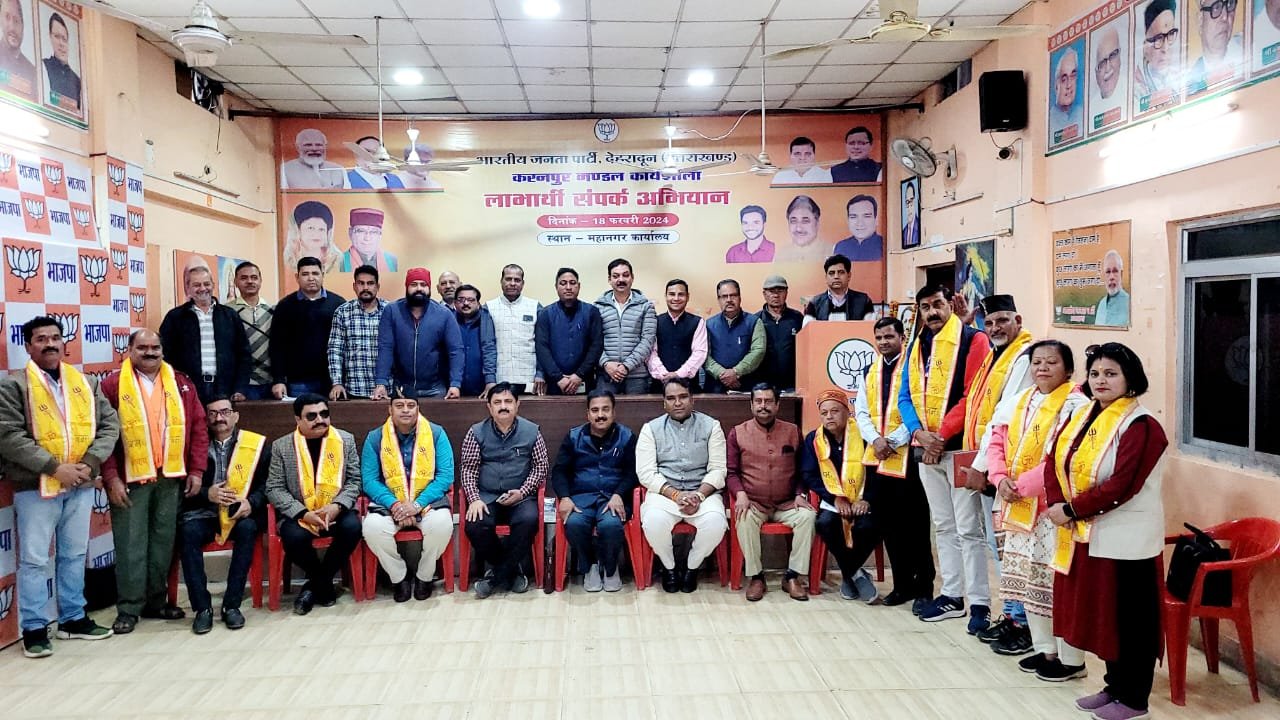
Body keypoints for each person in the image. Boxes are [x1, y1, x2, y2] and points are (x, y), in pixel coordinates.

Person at [1045, 343, 1168, 720]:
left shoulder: (1142, 425)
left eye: (1111, 373)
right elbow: (1054, 461)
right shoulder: (1083, 415)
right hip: (1088, 533)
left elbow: (1123, 483)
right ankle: (1114, 687)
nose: (1101, 380)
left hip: (1128, 540)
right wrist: (1057, 503)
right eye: (1095, 373)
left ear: (1131, 379)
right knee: (1108, 619)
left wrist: (1070, 510)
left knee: (1132, 621)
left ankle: (1135, 699)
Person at [0, 317, 119, 658]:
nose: (50, 344)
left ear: (63, 342)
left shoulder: (84, 382)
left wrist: (90, 464)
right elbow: (9, 437)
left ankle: (72, 618)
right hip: (36, 486)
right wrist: (55, 469)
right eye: (41, 339)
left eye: (55, 337)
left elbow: (109, 425)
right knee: (35, 560)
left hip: (81, 482)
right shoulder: (14, 386)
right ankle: (35, 629)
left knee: (75, 554)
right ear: (28, 346)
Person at [987, 341, 1090, 680]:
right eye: (1037, 362)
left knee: (1056, 585)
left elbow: (1062, 457)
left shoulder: (1077, 406)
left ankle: (1071, 659)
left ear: (1069, 370)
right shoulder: (1019, 401)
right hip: (1017, 509)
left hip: (1052, 512)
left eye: (1051, 362)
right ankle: (1045, 650)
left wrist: (1021, 486)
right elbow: (997, 441)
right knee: (1029, 584)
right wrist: (999, 477)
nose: (1042, 368)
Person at [897, 285, 993, 631]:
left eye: (937, 304)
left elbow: (973, 395)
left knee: (969, 528)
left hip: (959, 449)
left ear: (950, 305)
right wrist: (918, 433)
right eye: (925, 307)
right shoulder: (917, 344)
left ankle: (980, 602)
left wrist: (939, 437)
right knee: (943, 525)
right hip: (926, 449)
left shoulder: (973, 340)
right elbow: (904, 396)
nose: (932, 312)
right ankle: (952, 595)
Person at [101, 330, 208, 635]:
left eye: (155, 347)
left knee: (163, 542)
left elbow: (199, 427)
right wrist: (111, 477)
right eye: (142, 347)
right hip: (130, 478)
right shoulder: (112, 385)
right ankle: (129, 608)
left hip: (170, 477)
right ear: (129, 350)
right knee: (131, 544)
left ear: (163, 349)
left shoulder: (181, 383)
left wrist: (197, 470)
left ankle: (155, 602)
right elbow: (103, 435)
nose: (150, 352)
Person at [958, 294, 1035, 645]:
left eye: (1002, 320)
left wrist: (980, 465)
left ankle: (1023, 622)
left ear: (1018, 320)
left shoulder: (1025, 357)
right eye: (988, 323)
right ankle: (1013, 615)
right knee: (998, 544)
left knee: (1010, 546)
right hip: (996, 464)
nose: (995, 328)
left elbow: (1004, 415)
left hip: (1010, 467)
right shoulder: (996, 354)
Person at [854, 318, 935, 613]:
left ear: (902, 337)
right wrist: (876, 440)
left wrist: (894, 440)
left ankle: (924, 587)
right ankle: (902, 585)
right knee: (888, 525)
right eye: (879, 337)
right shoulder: (869, 370)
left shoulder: (914, 368)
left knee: (915, 525)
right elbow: (861, 412)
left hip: (908, 457)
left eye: (889, 336)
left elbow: (918, 409)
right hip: (878, 458)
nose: (884, 342)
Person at [265, 394, 363, 615]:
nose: (320, 420)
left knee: (352, 527)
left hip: (336, 510)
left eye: (324, 414)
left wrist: (337, 506)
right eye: (312, 416)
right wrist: (303, 513)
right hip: (301, 514)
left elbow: (354, 481)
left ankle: (315, 585)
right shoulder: (282, 446)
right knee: (294, 537)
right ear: (298, 420)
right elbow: (274, 488)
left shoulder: (344, 440)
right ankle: (324, 584)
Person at [179, 397, 268, 634]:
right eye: (213, 413)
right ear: (205, 418)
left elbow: (267, 485)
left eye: (225, 412)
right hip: (203, 513)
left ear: (235, 416)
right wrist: (207, 494)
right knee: (188, 532)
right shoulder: (192, 446)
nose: (219, 418)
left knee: (248, 529)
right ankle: (202, 608)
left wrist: (251, 502)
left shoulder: (255, 444)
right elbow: (180, 488)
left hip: (239, 513)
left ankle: (232, 605)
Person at [361, 388, 455, 602]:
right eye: (399, 406)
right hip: (389, 503)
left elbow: (445, 476)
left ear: (418, 408)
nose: (406, 410)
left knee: (442, 525)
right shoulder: (375, 438)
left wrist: (416, 505)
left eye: (411, 405)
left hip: (428, 501)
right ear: (390, 409)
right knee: (372, 528)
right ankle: (399, 577)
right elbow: (369, 480)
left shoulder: (436, 433)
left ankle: (424, 576)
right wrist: (395, 505)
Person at [637, 378, 728, 593]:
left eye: (683, 397)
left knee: (716, 522)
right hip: (665, 494)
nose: (677, 403)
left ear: (692, 399)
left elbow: (718, 469)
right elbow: (646, 473)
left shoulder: (711, 426)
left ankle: (691, 567)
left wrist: (698, 495)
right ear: (664, 403)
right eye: (671, 398)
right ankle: (669, 567)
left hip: (703, 493)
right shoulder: (650, 429)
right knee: (652, 521)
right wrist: (676, 495)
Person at [460, 383, 549, 598]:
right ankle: (510, 570)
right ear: (489, 407)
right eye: (497, 402)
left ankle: (495, 577)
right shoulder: (476, 432)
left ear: (517, 404)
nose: (503, 406)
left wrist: (523, 491)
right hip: (486, 496)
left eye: (508, 401)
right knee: (475, 525)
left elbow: (541, 466)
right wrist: (474, 499)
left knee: (529, 520)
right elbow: (468, 469)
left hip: (521, 496)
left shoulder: (532, 431)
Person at [727, 384, 812, 601]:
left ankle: (792, 576)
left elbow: (804, 470)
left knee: (808, 516)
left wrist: (800, 494)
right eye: (758, 401)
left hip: (787, 503)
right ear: (751, 404)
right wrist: (741, 494)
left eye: (768, 401)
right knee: (743, 517)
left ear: (777, 405)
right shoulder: (738, 433)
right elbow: (731, 472)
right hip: (754, 503)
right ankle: (756, 577)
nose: (763, 406)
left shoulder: (792, 431)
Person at [552, 389, 638, 592]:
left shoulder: (626, 437)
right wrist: (565, 497)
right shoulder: (573, 437)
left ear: (613, 412)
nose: (600, 415)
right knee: (574, 523)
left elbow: (633, 472)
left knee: (611, 525)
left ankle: (610, 568)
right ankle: (589, 565)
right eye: (595, 410)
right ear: (588, 414)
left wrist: (619, 494)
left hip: (613, 498)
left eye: (605, 409)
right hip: (581, 498)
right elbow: (559, 471)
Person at [801, 390, 882, 603]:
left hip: (863, 498)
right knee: (826, 523)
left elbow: (876, 470)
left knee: (869, 526)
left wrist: (866, 499)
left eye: (835, 411)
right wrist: (834, 498)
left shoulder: (864, 436)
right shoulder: (814, 439)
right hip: (833, 501)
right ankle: (855, 574)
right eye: (824, 413)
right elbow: (809, 475)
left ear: (848, 412)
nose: (829, 416)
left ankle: (848, 575)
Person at [159, 265, 251, 405]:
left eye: (206, 284)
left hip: (225, 389)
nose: (203, 288)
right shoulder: (175, 317)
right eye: (197, 285)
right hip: (188, 389)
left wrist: (240, 388)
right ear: (188, 288)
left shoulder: (230, 316)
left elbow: (244, 354)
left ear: (213, 285)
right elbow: (165, 355)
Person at [375, 267, 465, 399]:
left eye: (423, 285)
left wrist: (455, 384)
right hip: (402, 387)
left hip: (435, 388)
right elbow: (385, 348)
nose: (419, 288)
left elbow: (456, 350)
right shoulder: (392, 311)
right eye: (413, 284)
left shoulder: (444, 314)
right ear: (406, 287)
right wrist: (381, 382)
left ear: (429, 288)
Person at [269, 257, 346, 399]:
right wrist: (279, 379)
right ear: (297, 277)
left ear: (323, 275)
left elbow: (346, 344)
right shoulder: (285, 306)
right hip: (298, 381)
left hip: (333, 381)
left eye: (315, 273)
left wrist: (340, 379)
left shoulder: (338, 304)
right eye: (305, 274)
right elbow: (276, 346)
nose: (311, 278)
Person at [536, 267, 604, 396]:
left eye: (572, 283)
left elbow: (596, 346)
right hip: (554, 382)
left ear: (579, 286)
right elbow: (542, 348)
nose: (568, 287)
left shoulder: (591, 312)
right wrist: (558, 377)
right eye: (563, 283)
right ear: (556, 287)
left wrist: (579, 375)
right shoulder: (545, 314)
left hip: (585, 380)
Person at [594, 258, 656, 395]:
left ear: (632, 277)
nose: (621, 279)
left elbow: (648, 340)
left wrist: (627, 366)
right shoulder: (597, 307)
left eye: (625, 275)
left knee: (637, 410)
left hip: (637, 375)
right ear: (609, 279)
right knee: (604, 409)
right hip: (606, 374)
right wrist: (606, 363)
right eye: (616, 276)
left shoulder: (646, 306)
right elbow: (593, 341)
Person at [327, 264, 389, 400]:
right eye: (361, 283)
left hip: (386, 390)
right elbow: (335, 350)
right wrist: (337, 383)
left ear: (377, 286)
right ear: (354, 286)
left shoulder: (390, 311)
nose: (365, 287)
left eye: (370, 283)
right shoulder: (343, 312)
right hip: (354, 390)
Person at [487, 264, 543, 394]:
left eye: (517, 280)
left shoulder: (535, 307)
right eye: (508, 279)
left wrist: (540, 373)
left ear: (522, 284)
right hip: (499, 377)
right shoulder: (489, 308)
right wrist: (489, 378)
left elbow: (542, 344)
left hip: (530, 377)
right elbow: (487, 346)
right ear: (501, 281)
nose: (512, 283)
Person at [704, 280, 765, 394]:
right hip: (714, 389)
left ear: (740, 298)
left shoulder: (754, 322)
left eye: (733, 295)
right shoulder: (708, 324)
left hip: (747, 388)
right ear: (718, 300)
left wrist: (736, 372)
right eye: (724, 296)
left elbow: (758, 351)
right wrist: (723, 374)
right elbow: (704, 355)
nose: (729, 300)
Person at [646, 278, 706, 394]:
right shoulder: (655, 321)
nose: (676, 298)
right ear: (666, 296)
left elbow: (700, 352)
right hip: (659, 385)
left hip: (689, 386)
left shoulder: (698, 322)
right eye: (672, 294)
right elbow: (650, 353)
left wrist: (678, 374)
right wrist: (664, 375)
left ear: (687, 297)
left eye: (681, 294)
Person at [228, 262, 274, 400]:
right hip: (241, 384)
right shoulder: (227, 311)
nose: (249, 281)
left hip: (271, 381)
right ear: (235, 282)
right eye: (244, 278)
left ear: (260, 280)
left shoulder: (273, 310)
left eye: (254, 277)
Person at [756, 275, 804, 392]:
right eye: (771, 291)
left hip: (792, 384)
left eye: (780, 291)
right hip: (763, 386)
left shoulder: (797, 318)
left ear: (786, 293)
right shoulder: (756, 320)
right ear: (764, 294)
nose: (776, 295)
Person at [1187, 0, 1243, 93]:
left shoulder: (1248, 57)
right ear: (1201, 21)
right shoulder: (1189, 81)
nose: (1225, 17)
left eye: (1230, 4)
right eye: (1216, 7)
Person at [453, 284, 497, 398]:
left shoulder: (486, 320)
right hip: (452, 387)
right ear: (455, 303)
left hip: (482, 388)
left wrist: (490, 380)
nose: (466, 303)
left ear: (478, 303)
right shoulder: (449, 321)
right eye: (461, 300)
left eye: (471, 300)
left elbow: (489, 350)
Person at [803, 254, 875, 324]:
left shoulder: (864, 301)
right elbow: (807, 330)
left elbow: (871, 329)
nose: (836, 276)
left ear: (849, 276)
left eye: (841, 272)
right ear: (826, 277)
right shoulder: (814, 303)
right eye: (831, 273)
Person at [1134, 0, 1180, 102]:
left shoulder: (1181, 76)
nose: (1165, 48)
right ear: (1145, 47)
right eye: (1158, 38)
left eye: (1170, 34)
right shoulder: (1136, 87)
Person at [283, 200, 342, 275]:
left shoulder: (337, 260)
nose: (316, 234)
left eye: (321, 229)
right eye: (310, 228)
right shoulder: (288, 259)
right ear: (297, 230)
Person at [280, 128, 346, 190]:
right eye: (308, 145)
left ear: (325, 147)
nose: (314, 149)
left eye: (318, 145)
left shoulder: (338, 169)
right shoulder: (285, 169)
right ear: (298, 147)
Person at [339, 208, 398, 272]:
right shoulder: (339, 262)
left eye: (374, 232)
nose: (367, 238)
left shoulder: (392, 261)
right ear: (350, 233)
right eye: (361, 231)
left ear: (380, 235)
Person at [42, 12, 79, 108]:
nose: (61, 43)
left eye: (64, 39)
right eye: (57, 37)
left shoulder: (77, 81)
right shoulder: (43, 67)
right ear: (50, 37)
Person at [0, 0, 36, 98]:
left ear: (22, 26)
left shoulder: (32, 72)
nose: (12, 27)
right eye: (7, 17)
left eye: (16, 20)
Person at [833, 195, 884, 262]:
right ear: (848, 221)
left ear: (876, 220)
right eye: (853, 217)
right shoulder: (841, 247)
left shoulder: (885, 245)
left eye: (866, 216)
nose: (860, 223)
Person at [779, 195, 826, 263]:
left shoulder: (832, 252)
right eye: (793, 221)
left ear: (817, 223)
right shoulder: (781, 255)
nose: (799, 229)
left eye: (805, 221)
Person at [1049, 46, 1083, 138]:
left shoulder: (1082, 113)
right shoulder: (1050, 121)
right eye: (1064, 79)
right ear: (1056, 86)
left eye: (1072, 77)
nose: (1069, 85)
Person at [1094, 250, 1130, 326]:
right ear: (1104, 276)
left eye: (1115, 271)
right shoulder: (1102, 304)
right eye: (1108, 272)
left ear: (1121, 274)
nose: (1111, 277)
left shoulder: (1130, 304)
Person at [1094, 25, 1123, 100]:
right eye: (1102, 63)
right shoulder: (1093, 104)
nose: (1108, 68)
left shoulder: (1134, 92)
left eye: (1113, 55)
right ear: (1096, 72)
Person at [902, 181, 921, 248]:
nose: (909, 206)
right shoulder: (904, 231)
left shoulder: (920, 227)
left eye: (911, 201)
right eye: (907, 202)